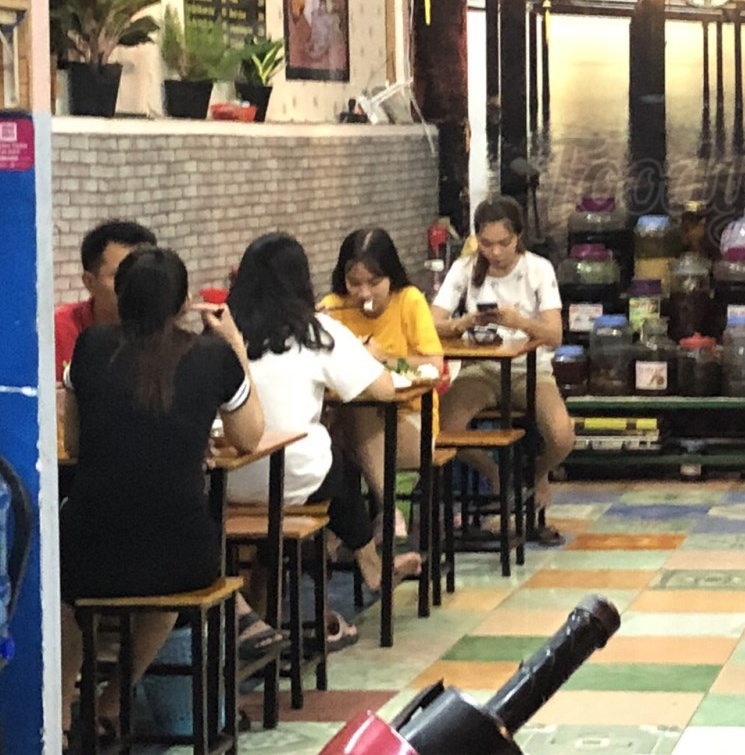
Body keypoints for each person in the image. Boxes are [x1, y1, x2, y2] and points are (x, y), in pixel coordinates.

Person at [58, 247, 264, 739]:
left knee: (68, 594)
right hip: (182, 554)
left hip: (90, 549)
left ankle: (60, 711)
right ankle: (112, 700)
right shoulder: (212, 355)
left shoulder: (89, 347)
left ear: (120, 296)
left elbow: (77, 443)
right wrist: (235, 346)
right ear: (184, 302)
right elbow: (250, 437)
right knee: (168, 593)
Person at [226, 233, 422, 647]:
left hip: (226, 482)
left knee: (328, 463)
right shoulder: (317, 332)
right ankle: (371, 567)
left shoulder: (222, 335)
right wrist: (370, 358)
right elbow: (384, 390)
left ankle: (269, 608)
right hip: (291, 477)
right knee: (335, 462)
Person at [431, 196, 571, 546]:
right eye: (486, 243)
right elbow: (432, 323)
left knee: (562, 436)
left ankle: (535, 474)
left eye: (503, 243)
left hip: (530, 369)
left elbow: (554, 336)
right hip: (480, 369)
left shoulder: (538, 269)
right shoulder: (464, 269)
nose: (494, 252)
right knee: (443, 431)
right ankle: (497, 475)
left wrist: (519, 321)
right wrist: (463, 323)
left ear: (518, 237)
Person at [322, 227, 444, 540]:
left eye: (374, 282)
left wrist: (383, 359)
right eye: (354, 283)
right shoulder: (333, 307)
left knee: (358, 413)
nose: (364, 293)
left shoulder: (408, 301)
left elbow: (434, 365)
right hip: (344, 427)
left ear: (391, 275)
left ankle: (386, 510)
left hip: (410, 419)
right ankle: (344, 538)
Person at [55, 219, 157, 384]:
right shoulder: (57, 332)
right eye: (120, 276)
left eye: (143, 274)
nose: (135, 285)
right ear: (90, 282)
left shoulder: (167, 328)